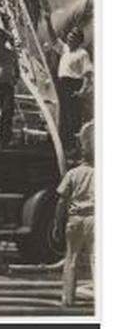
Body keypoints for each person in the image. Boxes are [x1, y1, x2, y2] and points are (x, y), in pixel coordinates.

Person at [55, 122, 94, 307]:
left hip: (75, 220)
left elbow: (61, 200)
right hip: (94, 220)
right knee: (96, 259)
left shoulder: (72, 174)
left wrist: (57, 224)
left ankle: (68, 299)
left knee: (71, 259)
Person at [53, 27, 93, 156]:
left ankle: (73, 147)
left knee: (73, 116)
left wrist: (82, 91)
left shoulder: (82, 53)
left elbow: (87, 74)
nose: (70, 37)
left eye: (73, 36)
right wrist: (47, 21)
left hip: (73, 85)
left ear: (79, 40)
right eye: (69, 35)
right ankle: (63, 147)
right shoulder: (65, 49)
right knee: (63, 115)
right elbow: (54, 39)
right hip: (62, 84)